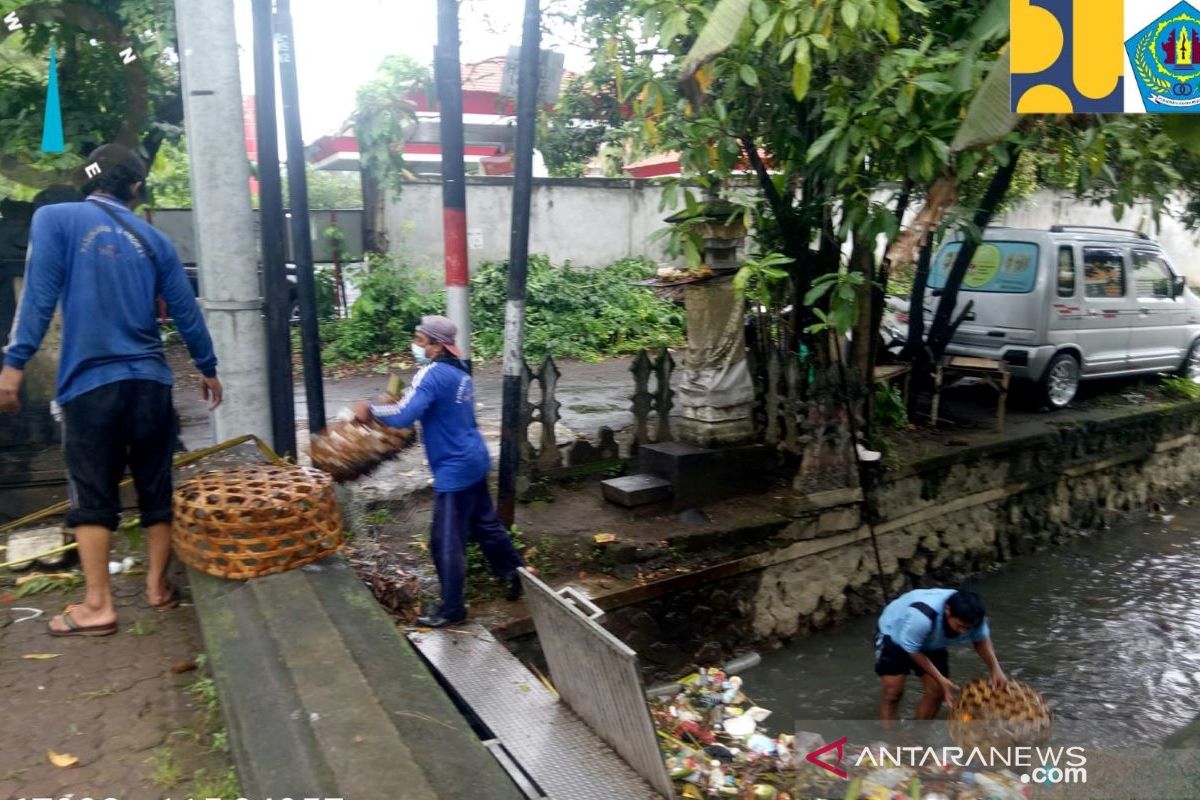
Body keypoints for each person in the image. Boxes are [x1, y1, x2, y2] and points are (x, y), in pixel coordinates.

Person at [0, 143, 222, 637]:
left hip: (90, 384)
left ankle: (98, 605)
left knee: (93, 494)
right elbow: (186, 310)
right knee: (155, 487)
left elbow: (37, 295)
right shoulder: (154, 240)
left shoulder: (55, 220)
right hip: (150, 384)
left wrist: (13, 363)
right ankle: (157, 588)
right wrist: (207, 367)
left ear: (87, 180)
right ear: (136, 187)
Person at [353, 315, 526, 628]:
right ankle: (517, 575)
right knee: (487, 526)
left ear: (435, 345)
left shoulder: (431, 374)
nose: (417, 346)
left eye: (420, 341)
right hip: (474, 459)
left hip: (454, 470)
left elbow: (405, 415)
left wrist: (370, 409)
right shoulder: (459, 373)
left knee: (445, 541)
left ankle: (452, 608)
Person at [874, 588, 1007, 721]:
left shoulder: (974, 618)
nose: (963, 632)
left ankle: (919, 732)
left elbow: (981, 639)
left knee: (937, 692)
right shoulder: (923, 615)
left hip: (932, 641)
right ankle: (890, 736)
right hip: (894, 633)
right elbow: (912, 650)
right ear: (947, 610)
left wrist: (995, 669)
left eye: (968, 629)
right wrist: (940, 678)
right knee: (893, 692)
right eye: (960, 626)